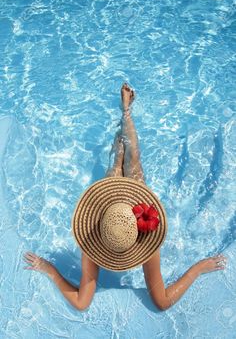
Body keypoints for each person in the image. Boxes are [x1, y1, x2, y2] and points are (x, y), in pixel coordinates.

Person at [23, 83, 227, 311]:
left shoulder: (92, 243)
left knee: (123, 161)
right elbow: (162, 302)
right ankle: (126, 112)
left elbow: (82, 303)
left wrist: (50, 269)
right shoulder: (146, 243)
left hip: (110, 208)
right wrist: (197, 268)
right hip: (122, 206)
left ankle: (125, 117)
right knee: (130, 159)